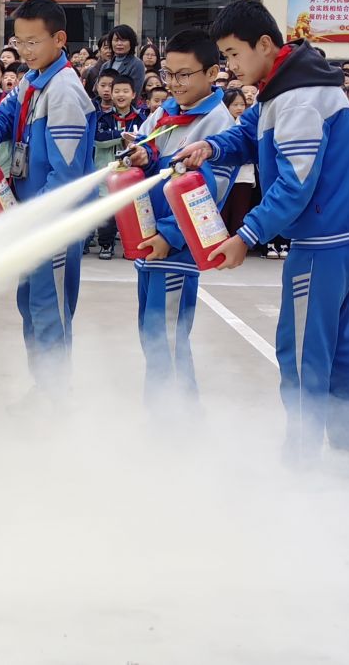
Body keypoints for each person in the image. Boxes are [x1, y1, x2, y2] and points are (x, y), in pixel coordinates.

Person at [176, 0, 349, 480]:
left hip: (322, 237)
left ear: (264, 45)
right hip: (344, 230)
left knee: (301, 346)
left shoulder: (298, 98)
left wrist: (245, 235)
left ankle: (302, 456)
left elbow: (294, 182)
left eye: (231, 54)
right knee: (336, 343)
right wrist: (212, 144)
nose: (228, 66)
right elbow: (249, 132)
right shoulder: (283, 83)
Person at [0, 0, 97, 401]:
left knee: (51, 313)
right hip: (31, 221)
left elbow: (65, 175)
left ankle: (55, 397)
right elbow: (4, 115)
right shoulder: (32, 80)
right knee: (32, 306)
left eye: (33, 42)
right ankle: (44, 388)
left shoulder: (63, 92)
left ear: (59, 40)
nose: (24, 51)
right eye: (18, 42)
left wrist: (34, 219)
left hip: (52, 226)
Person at [122, 30, 236, 413]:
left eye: (185, 75)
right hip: (150, 243)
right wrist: (140, 155)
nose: (175, 83)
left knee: (167, 338)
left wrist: (169, 236)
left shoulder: (216, 123)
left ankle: (178, 426)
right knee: (152, 334)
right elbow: (151, 153)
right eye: (169, 74)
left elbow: (209, 192)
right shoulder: (168, 111)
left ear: (212, 73)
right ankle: (162, 419)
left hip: (175, 250)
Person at [93, 72, 142, 260]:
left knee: (131, 210)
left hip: (132, 173)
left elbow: (147, 140)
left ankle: (134, 246)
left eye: (125, 91)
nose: (121, 95)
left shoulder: (140, 118)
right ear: (111, 95)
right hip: (107, 171)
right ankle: (106, 245)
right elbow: (99, 139)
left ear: (133, 94)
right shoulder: (103, 118)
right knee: (107, 210)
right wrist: (121, 135)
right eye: (117, 91)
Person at [219, 88, 257, 237]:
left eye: (242, 104)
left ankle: (237, 243)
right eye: (235, 105)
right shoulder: (220, 122)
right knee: (222, 213)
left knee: (239, 214)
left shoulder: (247, 123)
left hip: (244, 177)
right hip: (224, 176)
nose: (240, 108)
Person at [107, 25, 145, 89]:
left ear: (131, 43)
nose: (119, 43)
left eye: (123, 40)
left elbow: (135, 91)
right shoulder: (105, 65)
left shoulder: (136, 64)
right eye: (116, 40)